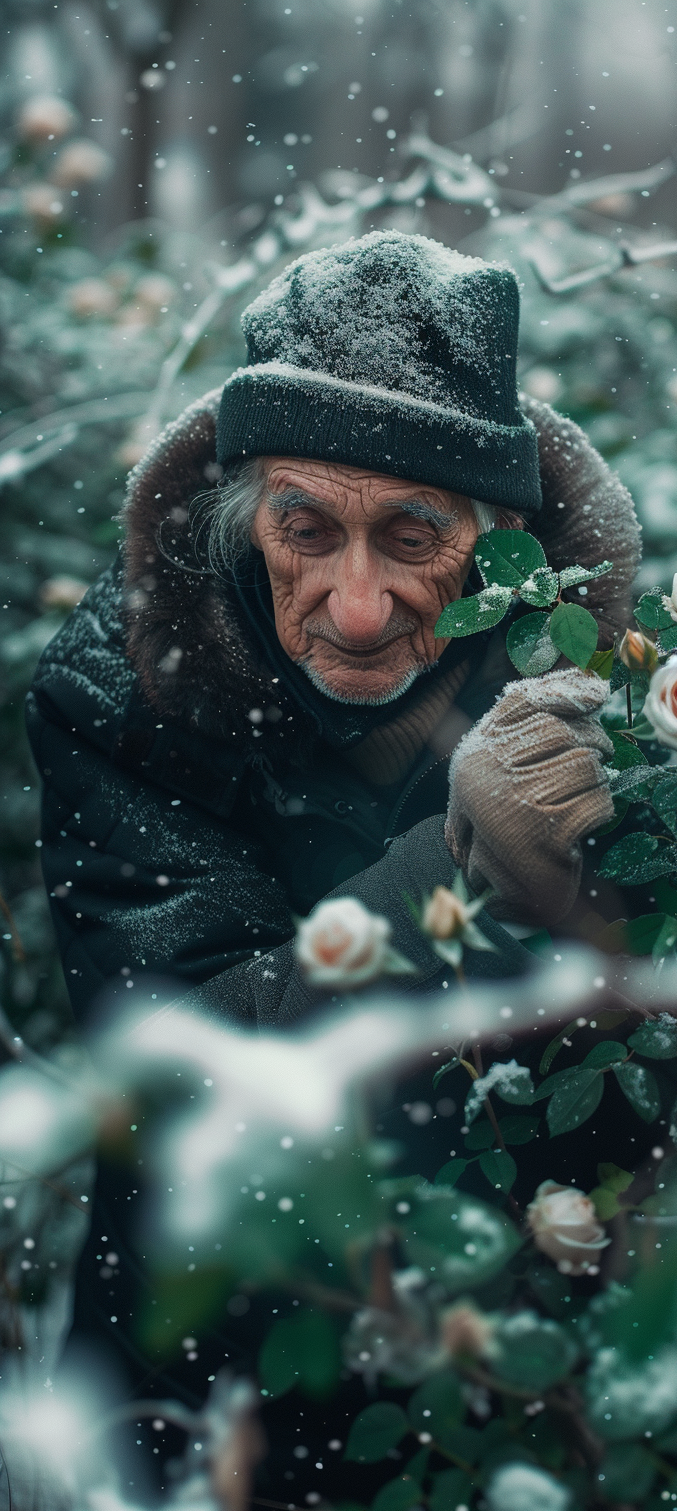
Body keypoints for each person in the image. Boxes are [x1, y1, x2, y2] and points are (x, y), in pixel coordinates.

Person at [27, 229, 640, 1029]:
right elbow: (179, 1073)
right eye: (307, 532)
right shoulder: (116, 696)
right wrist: (454, 867)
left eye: (412, 539)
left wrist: (570, 902)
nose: (357, 612)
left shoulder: (615, 678)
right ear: (244, 518)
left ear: (500, 530)